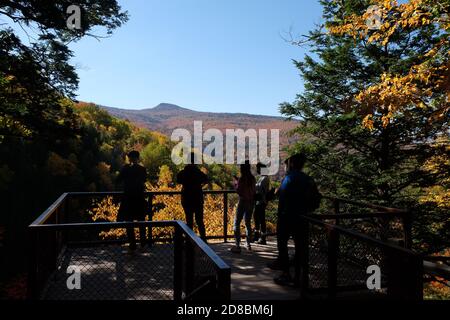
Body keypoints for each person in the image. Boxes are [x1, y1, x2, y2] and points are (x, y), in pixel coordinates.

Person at [273, 153, 321, 287]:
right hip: (302, 218)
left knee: (282, 245)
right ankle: (299, 277)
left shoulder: (288, 179)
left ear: (292, 164)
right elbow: (316, 198)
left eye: (287, 164)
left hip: (286, 217)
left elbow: (281, 194)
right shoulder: (308, 179)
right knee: (300, 247)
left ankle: (286, 274)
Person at [117, 150, 149, 252]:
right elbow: (144, 180)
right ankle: (143, 244)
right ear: (138, 158)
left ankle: (132, 245)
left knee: (129, 222)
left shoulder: (125, 169)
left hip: (128, 198)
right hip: (139, 198)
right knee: (141, 221)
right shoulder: (142, 169)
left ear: (129, 158)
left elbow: (117, 180)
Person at [176, 152, 208, 241]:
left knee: (189, 221)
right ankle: (204, 241)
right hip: (198, 199)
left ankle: (189, 240)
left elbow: (178, 180)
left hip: (186, 199)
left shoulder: (183, 173)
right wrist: (199, 186)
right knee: (200, 221)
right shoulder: (199, 173)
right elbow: (206, 179)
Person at [231, 161, 256, 253]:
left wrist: (235, 184)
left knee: (236, 223)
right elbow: (253, 190)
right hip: (251, 202)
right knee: (248, 223)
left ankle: (237, 245)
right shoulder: (252, 178)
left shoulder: (242, 179)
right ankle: (248, 244)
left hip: (243, 202)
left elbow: (239, 191)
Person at [253, 162, 271, 245]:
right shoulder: (263, 177)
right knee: (257, 217)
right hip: (259, 201)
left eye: (258, 169)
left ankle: (262, 238)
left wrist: (253, 185)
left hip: (262, 201)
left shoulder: (265, 178)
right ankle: (258, 236)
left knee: (261, 218)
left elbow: (259, 188)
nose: (257, 170)